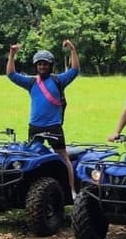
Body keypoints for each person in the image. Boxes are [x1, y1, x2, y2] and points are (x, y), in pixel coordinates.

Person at [7, 39, 80, 193]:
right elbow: (11, 74)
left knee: (63, 156)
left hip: (53, 126)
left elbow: (74, 70)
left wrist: (72, 50)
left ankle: (71, 190)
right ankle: (31, 190)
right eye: (39, 64)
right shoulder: (31, 82)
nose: (42, 67)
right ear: (36, 66)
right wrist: (12, 55)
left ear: (50, 65)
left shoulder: (58, 80)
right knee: (32, 157)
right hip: (35, 126)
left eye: (45, 64)